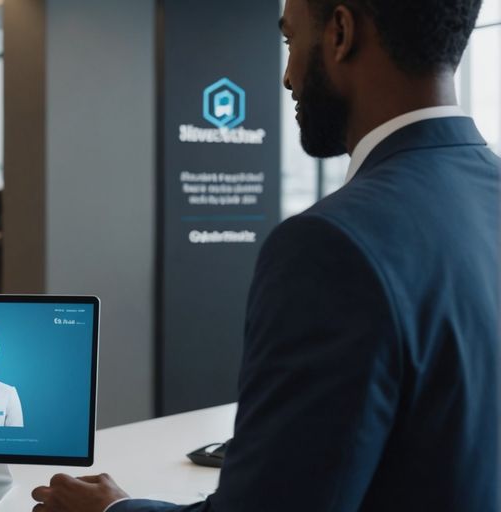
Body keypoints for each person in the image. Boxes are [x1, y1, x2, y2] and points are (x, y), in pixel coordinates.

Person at [33, 0, 499, 511]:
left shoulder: (331, 245)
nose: (286, 78)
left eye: (290, 41)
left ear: (340, 34)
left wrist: (113, 510)